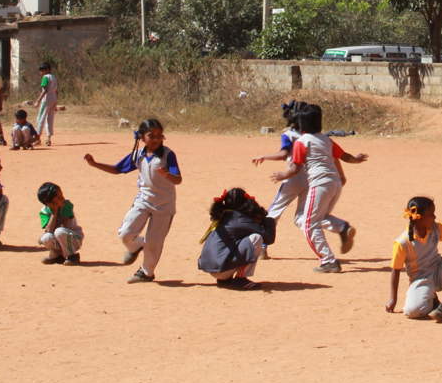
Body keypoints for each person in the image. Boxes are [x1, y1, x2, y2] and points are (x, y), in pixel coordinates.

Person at [270, 102, 367, 274]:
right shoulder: (326, 140)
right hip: (335, 183)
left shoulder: (302, 142)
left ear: (300, 124)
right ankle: (342, 228)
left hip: (319, 184)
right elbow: (344, 157)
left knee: (308, 224)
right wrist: (357, 159)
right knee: (317, 217)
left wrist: (282, 175)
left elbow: (295, 168)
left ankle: (328, 260)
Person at [84, 118, 182, 284]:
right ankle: (137, 246)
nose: (157, 139)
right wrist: (94, 164)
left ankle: (146, 272)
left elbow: (178, 179)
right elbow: (117, 169)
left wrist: (167, 175)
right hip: (143, 201)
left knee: (154, 243)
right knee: (126, 233)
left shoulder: (168, 155)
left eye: (160, 135)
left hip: (164, 206)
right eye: (152, 135)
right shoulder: (138, 155)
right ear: (141, 138)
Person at [251, 101, 307, 257]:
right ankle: (324, 240)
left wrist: (264, 156)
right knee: (303, 216)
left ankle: (262, 246)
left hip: (292, 176)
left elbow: (283, 154)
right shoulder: (309, 135)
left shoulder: (289, 135)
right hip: (310, 178)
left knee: (274, 211)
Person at [197, 188, 275, 290]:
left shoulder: (224, 215)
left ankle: (224, 280)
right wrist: (269, 221)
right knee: (256, 238)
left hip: (213, 268)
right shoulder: (241, 219)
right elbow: (269, 239)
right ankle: (240, 279)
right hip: (221, 270)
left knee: (238, 241)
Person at [37, 181, 83, 265]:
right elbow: (49, 231)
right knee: (45, 238)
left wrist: (58, 211)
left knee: (60, 231)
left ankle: (72, 256)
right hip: (60, 239)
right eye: (58, 197)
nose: (62, 198)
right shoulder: (44, 211)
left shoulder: (67, 205)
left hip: (74, 239)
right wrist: (54, 213)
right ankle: (57, 256)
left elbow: (65, 227)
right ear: (49, 203)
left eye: (61, 195)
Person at [30, 62, 58, 146]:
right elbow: (56, 90)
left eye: (42, 70)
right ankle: (48, 138)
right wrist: (56, 102)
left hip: (46, 99)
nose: (41, 72)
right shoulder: (54, 77)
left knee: (40, 118)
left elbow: (45, 90)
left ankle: (37, 138)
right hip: (53, 98)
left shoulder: (45, 77)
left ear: (47, 70)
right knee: (50, 119)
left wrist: (38, 101)